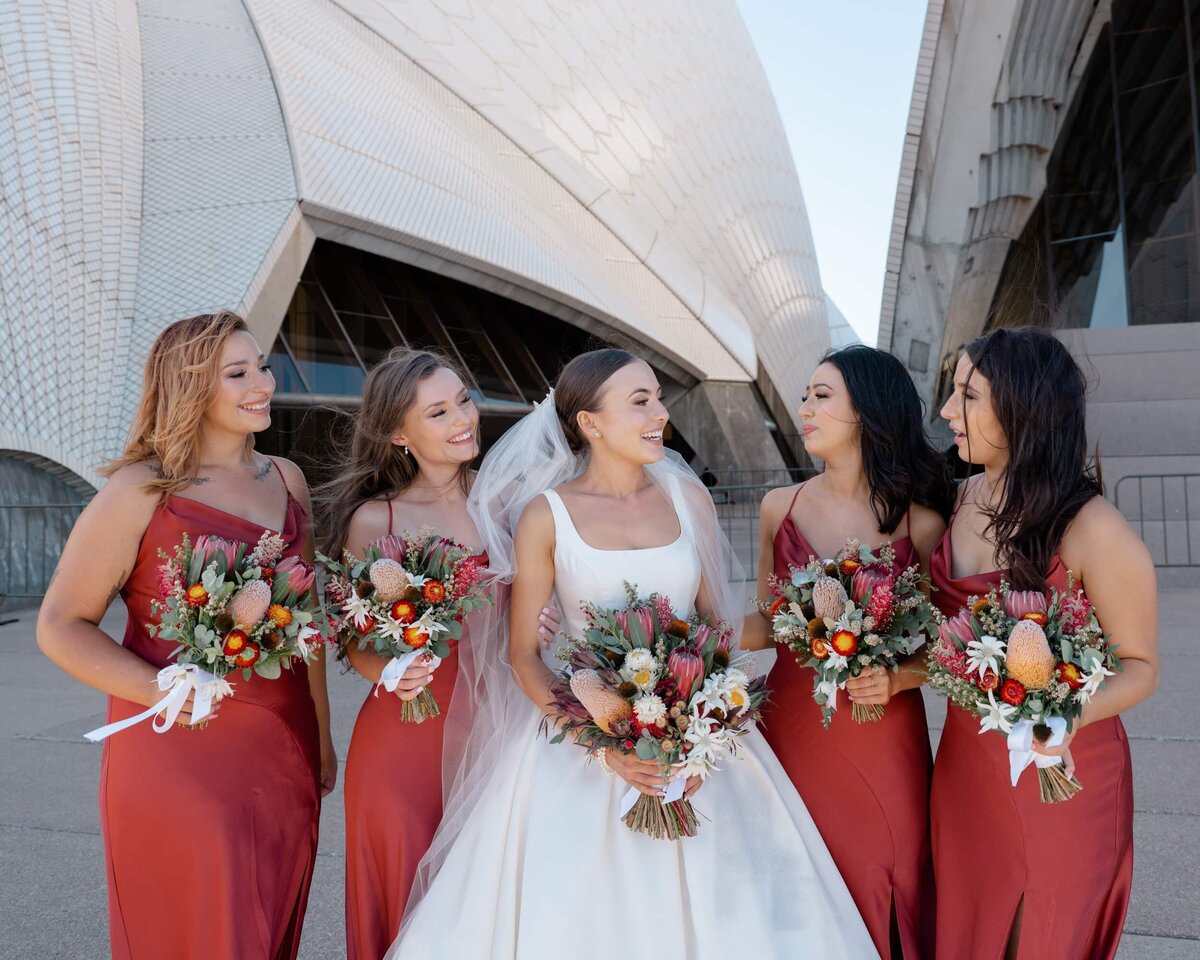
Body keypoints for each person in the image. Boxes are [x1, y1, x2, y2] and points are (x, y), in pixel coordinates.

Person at [388, 348, 878, 959]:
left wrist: (707, 728)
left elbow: (715, 634)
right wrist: (608, 744)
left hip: (698, 747)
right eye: (639, 401)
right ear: (589, 423)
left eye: (658, 398)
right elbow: (523, 657)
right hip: (576, 748)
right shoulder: (545, 516)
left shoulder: (686, 500)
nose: (659, 415)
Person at [37, 311, 335, 959]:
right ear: (191, 385)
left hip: (283, 747)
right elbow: (61, 626)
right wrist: (161, 685)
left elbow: (304, 621)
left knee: (269, 928)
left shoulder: (287, 480)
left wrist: (323, 735)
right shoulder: (141, 490)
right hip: (176, 751)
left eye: (261, 364)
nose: (262, 381)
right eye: (238, 372)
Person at [323, 347, 562, 959]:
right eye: (438, 411)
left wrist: (542, 618)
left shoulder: (511, 504)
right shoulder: (376, 519)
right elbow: (354, 638)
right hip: (406, 738)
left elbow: (533, 612)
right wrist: (393, 668)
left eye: (463, 400)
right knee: (403, 892)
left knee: (492, 905)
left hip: (501, 731)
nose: (463, 418)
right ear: (399, 433)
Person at [930, 326, 1157, 959]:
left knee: (1043, 935)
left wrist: (1052, 719)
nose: (948, 412)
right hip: (964, 774)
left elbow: (1140, 667)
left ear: (1021, 407)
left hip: (1062, 770)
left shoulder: (1094, 528)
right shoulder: (955, 501)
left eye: (966, 396)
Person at [744, 345, 951, 958]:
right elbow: (770, 620)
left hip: (882, 729)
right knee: (799, 872)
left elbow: (951, 641)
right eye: (805, 396)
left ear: (866, 409)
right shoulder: (778, 507)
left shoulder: (921, 520)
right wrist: (692, 636)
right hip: (794, 726)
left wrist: (900, 680)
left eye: (821, 395)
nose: (804, 408)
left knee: (886, 866)